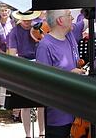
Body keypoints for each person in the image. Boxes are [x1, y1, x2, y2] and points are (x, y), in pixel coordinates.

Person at [35, 9, 86, 138]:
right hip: (58, 116)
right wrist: (69, 75)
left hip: (77, 113)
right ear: (60, 20)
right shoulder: (45, 46)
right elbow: (42, 82)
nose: (72, 19)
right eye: (69, 16)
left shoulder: (69, 36)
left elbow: (86, 22)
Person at [6, 10, 45, 136]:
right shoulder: (14, 32)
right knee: (25, 103)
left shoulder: (38, 27)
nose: (27, 22)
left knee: (41, 103)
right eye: (25, 20)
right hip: (24, 66)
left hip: (39, 63)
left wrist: (40, 38)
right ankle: (28, 134)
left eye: (29, 19)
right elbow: (12, 54)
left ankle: (42, 132)